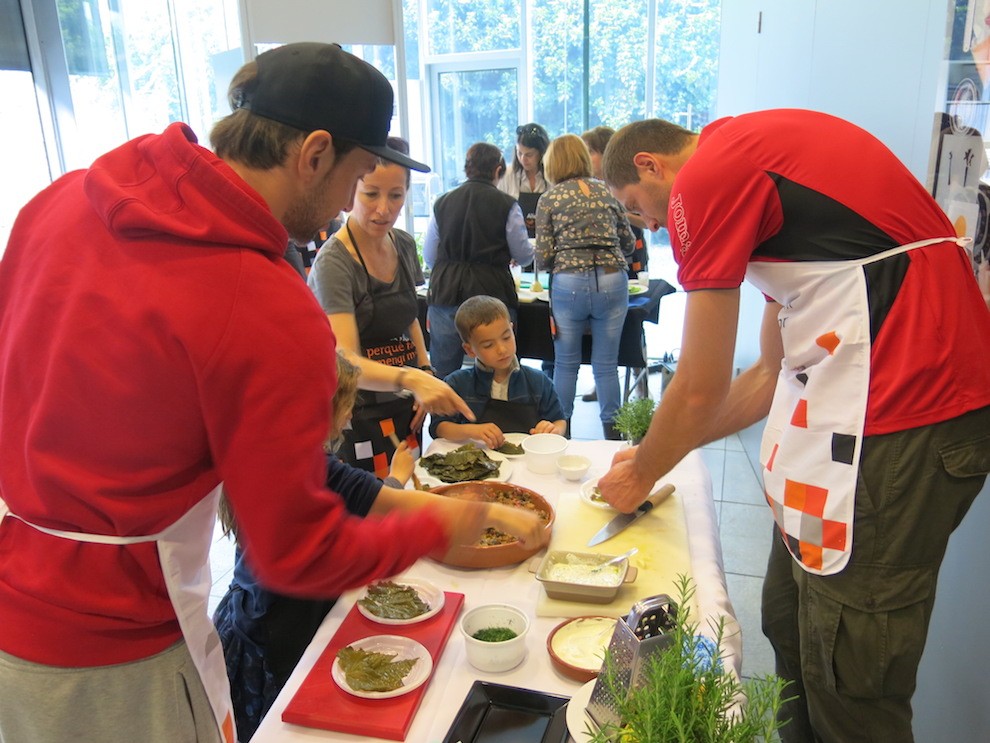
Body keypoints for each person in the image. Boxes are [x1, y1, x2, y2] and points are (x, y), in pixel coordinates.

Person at [0, 42, 546, 743]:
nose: (356, 196)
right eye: (357, 173)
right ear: (314, 153)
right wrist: (444, 523)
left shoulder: (65, 197)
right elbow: (295, 552)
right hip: (118, 644)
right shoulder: (264, 301)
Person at [598, 111, 990, 742]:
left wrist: (645, 469)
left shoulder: (709, 175)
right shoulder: (767, 181)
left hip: (903, 422)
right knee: (789, 625)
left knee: (849, 680)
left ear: (651, 164)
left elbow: (700, 386)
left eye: (636, 206)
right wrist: (655, 448)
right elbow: (761, 381)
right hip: (861, 426)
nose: (646, 224)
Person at [214, 352, 540, 740]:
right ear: (320, 412)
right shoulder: (310, 469)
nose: (351, 420)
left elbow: (376, 504)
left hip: (281, 615)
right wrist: (491, 515)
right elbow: (394, 510)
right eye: (348, 408)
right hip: (272, 635)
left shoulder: (278, 453)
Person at [308, 136, 440, 477]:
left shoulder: (405, 245)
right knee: (375, 501)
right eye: (371, 195)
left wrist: (423, 369)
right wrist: (410, 378)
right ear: (351, 190)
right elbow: (346, 360)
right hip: (357, 412)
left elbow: (410, 317)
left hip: (406, 403)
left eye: (396, 195)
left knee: (411, 487)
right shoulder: (334, 264)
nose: (384, 209)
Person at [535, 133, 635, 440]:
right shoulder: (607, 191)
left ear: (552, 163)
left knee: (566, 365)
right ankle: (613, 439)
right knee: (606, 366)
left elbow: (543, 256)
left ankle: (560, 436)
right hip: (612, 278)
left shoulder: (550, 199)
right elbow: (629, 243)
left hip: (568, 283)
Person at [424, 142, 534, 379]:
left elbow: (430, 256)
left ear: (467, 169)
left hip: (444, 293)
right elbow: (524, 255)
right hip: (491, 291)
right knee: (499, 369)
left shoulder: (442, 203)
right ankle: (498, 415)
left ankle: (442, 416)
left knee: (443, 371)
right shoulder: (506, 205)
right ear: (497, 170)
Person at [429, 296, 566, 446]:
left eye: (506, 337)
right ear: (469, 350)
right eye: (488, 345)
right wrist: (471, 431)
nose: (502, 349)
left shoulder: (539, 382)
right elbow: (438, 427)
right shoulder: (457, 384)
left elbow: (559, 420)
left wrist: (553, 430)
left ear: (513, 330)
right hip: (477, 463)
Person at [579, 125, 650, 403]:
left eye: (589, 152)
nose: (586, 158)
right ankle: (602, 384)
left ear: (603, 152)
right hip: (603, 265)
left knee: (633, 320)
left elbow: (646, 221)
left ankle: (641, 386)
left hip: (632, 253)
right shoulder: (588, 185)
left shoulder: (625, 180)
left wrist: (618, 209)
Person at [498, 122, 551, 238]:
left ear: (542, 153)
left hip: (546, 239)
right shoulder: (508, 174)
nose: (523, 159)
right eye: (519, 153)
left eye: (529, 155)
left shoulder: (552, 175)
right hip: (515, 240)